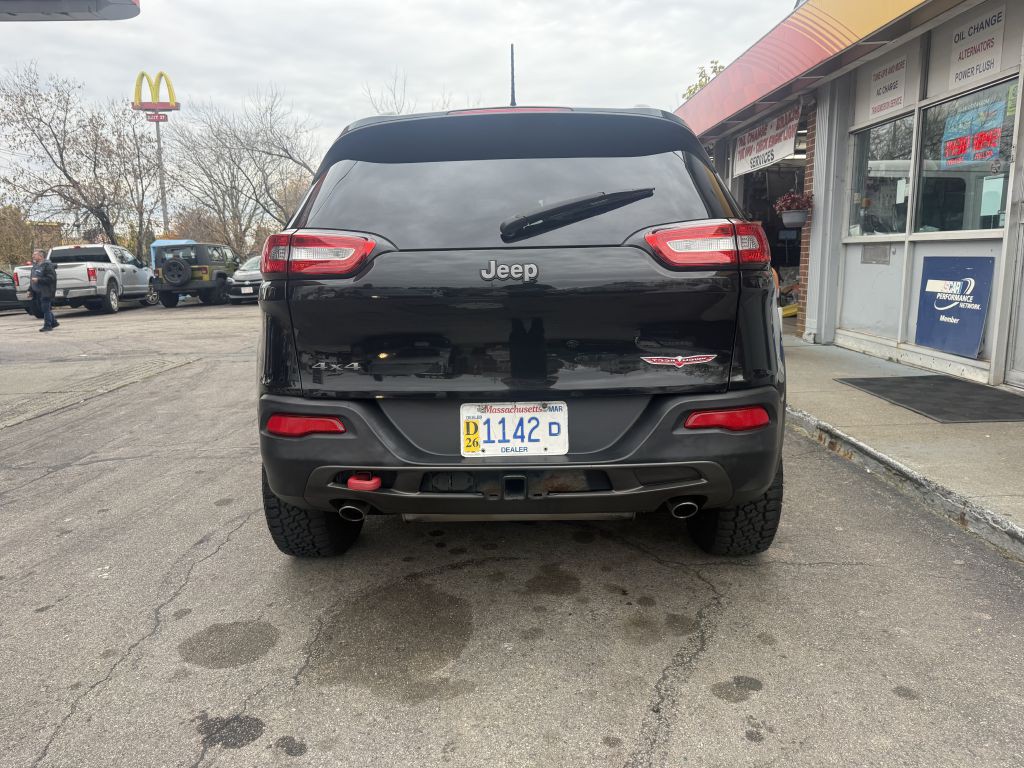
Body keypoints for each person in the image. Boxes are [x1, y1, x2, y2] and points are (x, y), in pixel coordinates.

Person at [29, 248, 58, 332]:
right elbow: (32, 279)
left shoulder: (47, 265)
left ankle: (48, 325)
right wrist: (30, 290)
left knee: (45, 309)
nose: (33, 256)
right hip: (38, 291)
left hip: (46, 291)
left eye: (35, 254)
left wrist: (39, 280)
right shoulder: (35, 266)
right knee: (45, 308)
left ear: (41, 256)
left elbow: (51, 278)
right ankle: (54, 322)